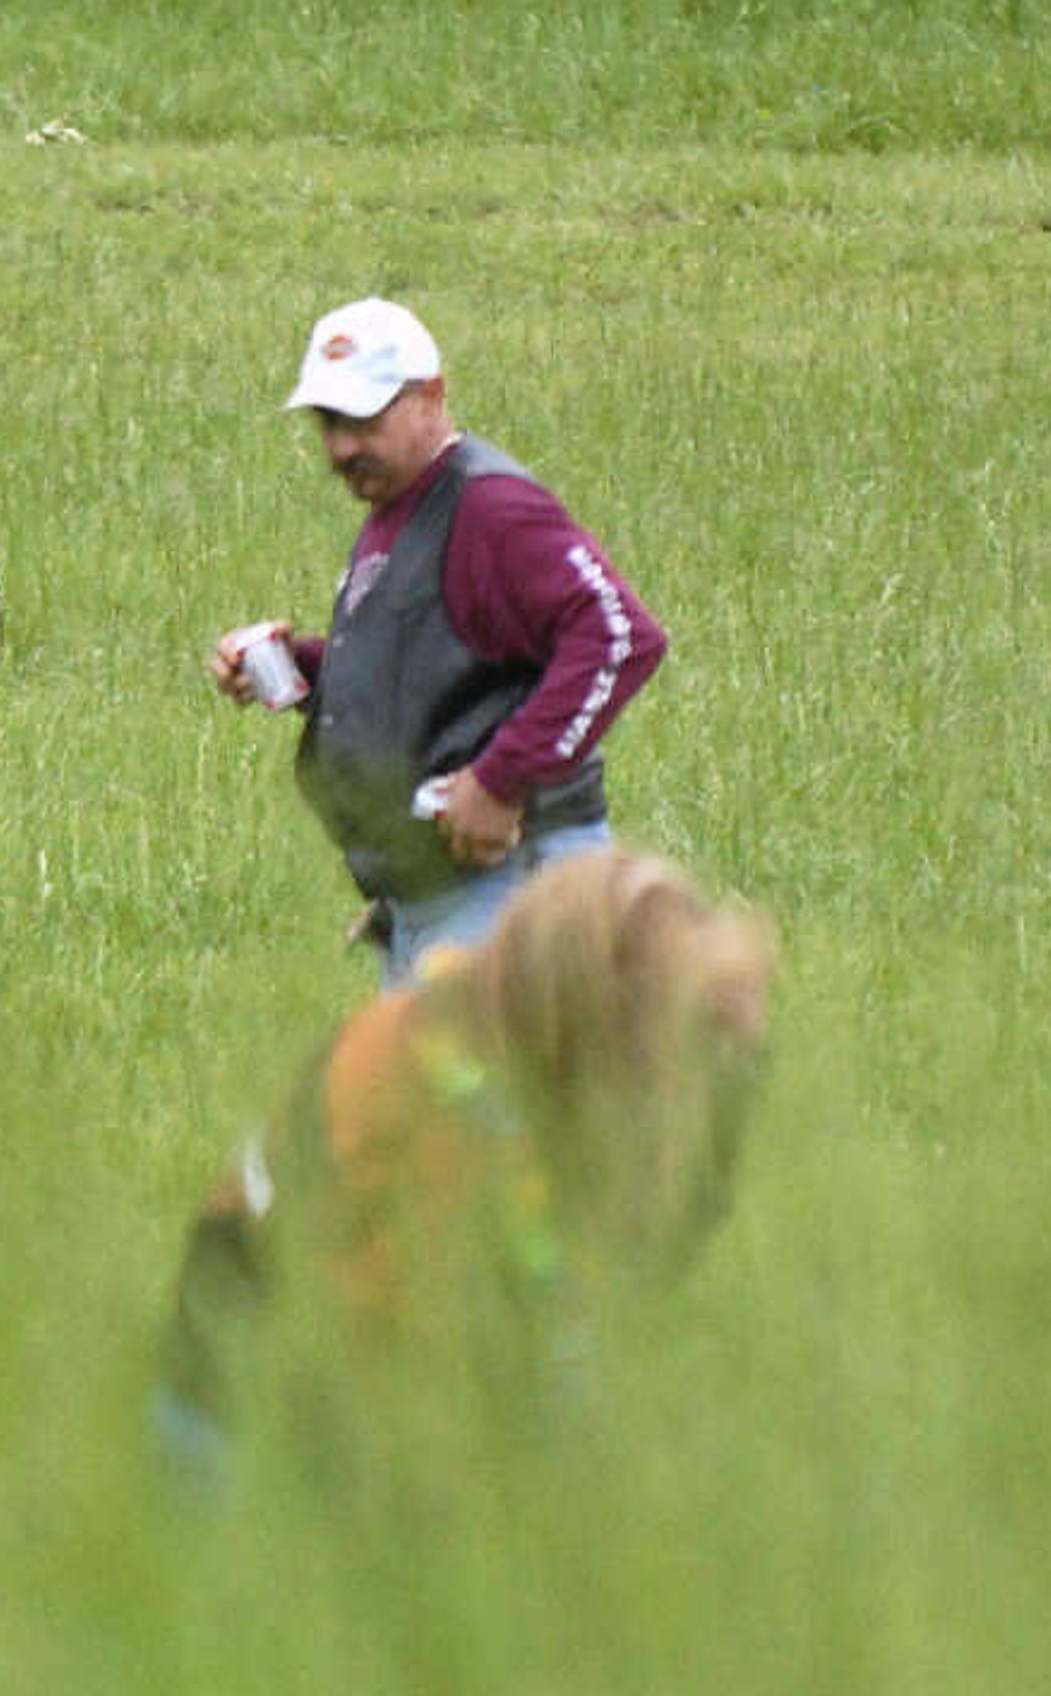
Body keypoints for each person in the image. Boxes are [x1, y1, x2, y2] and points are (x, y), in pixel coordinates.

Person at [153, 848, 773, 1469]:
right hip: (250, 1404)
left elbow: (647, 1243)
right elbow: (392, 1403)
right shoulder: (413, 1111)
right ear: (587, 1036)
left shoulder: (506, 1040)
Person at [209, 298, 668, 985]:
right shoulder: (402, 508)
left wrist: (500, 780)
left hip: (516, 884)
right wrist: (299, 666)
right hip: (439, 897)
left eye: (363, 418)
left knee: (494, 1095)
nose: (340, 447)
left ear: (432, 395)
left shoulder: (492, 508)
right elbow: (446, 668)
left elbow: (620, 635)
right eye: (327, 421)